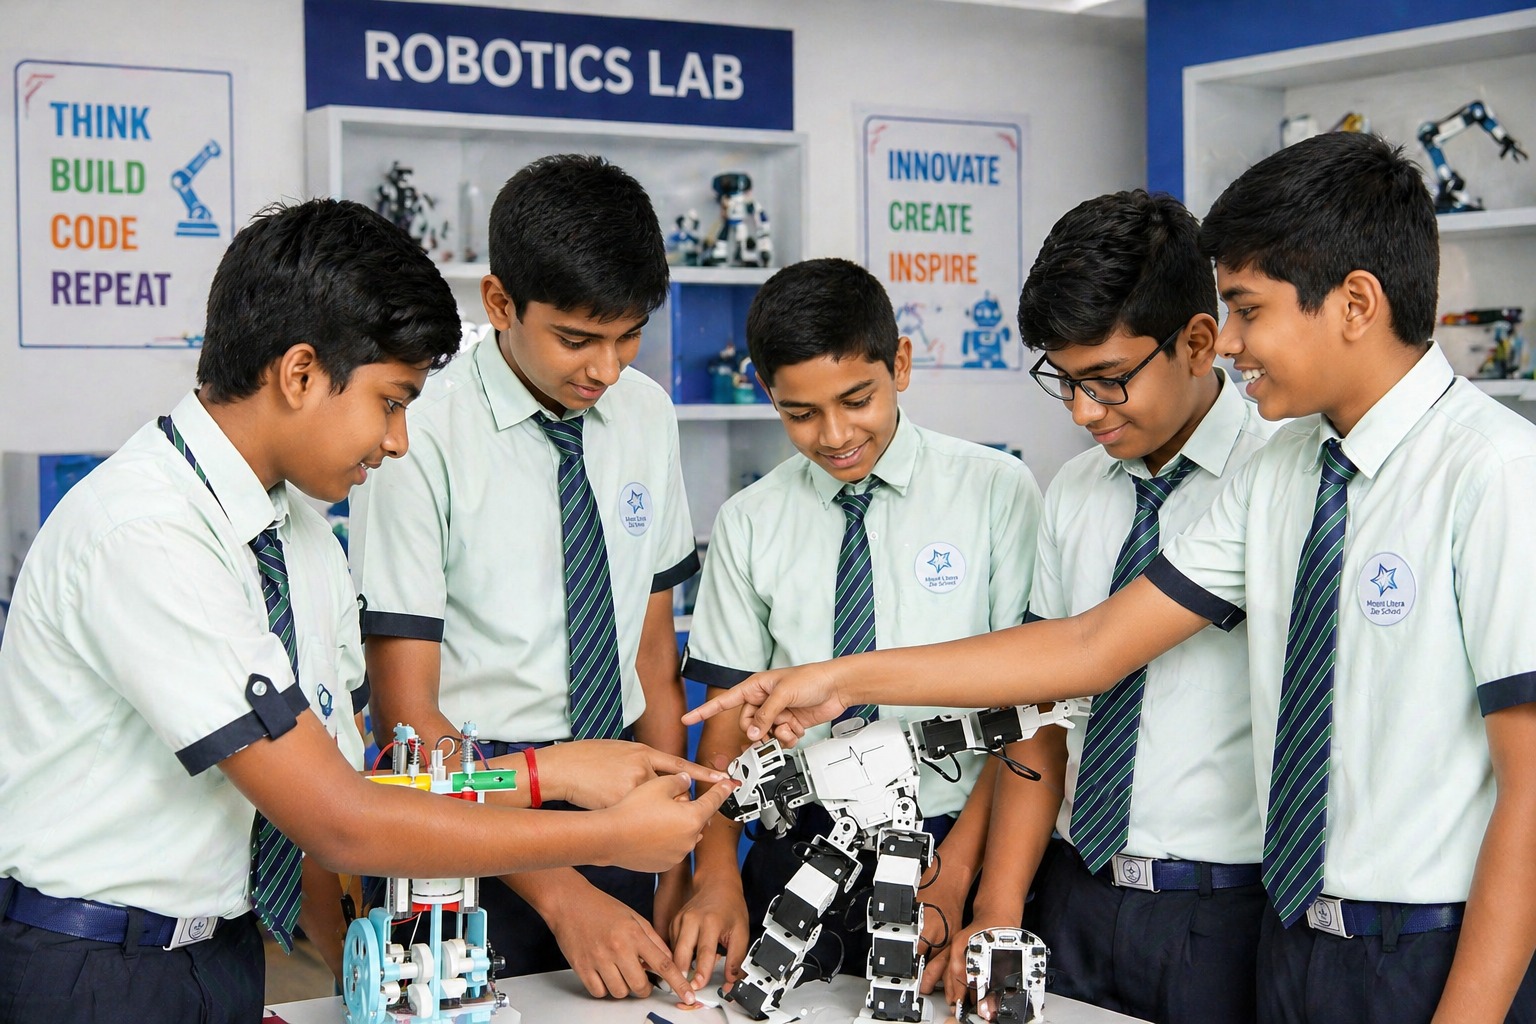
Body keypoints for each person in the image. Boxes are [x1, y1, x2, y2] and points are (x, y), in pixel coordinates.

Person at [689, 132, 1536, 1024]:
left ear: (1355, 303)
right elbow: (1089, 648)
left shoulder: (1498, 474)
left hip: (1421, 938)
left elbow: (1528, 791)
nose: (1233, 342)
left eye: (1248, 311)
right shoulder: (1284, 472)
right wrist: (841, 679)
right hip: (1288, 939)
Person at [0, 197, 733, 1024]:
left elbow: (366, 781)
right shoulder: (146, 533)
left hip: (221, 956)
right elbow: (340, 821)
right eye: (391, 401)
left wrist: (547, 773)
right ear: (300, 373)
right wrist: (601, 837)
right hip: (94, 968)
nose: (399, 441)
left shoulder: (302, 541)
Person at [349, 154, 703, 1001]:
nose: (605, 369)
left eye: (628, 336)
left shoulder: (646, 413)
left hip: (623, 788)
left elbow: (652, 654)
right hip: (468, 803)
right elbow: (404, 712)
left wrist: (671, 857)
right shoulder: (417, 432)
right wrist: (563, 893)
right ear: (499, 303)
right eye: (576, 340)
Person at [670, 257, 1043, 1000]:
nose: (834, 434)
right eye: (800, 413)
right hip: (796, 849)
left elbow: (1026, 713)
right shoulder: (751, 521)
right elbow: (728, 726)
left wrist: (959, 879)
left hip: (951, 841)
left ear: (899, 364)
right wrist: (715, 877)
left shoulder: (995, 492)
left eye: (856, 399)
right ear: (768, 394)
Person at [944, 190, 1276, 1024]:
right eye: (1064, 381)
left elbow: (1095, 648)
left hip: (1222, 910)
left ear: (1198, 342)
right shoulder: (1077, 489)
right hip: (1073, 892)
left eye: (1108, 380)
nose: (1084, 411)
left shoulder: (1280, 477)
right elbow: (1042, 709)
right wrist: (1000, 905)